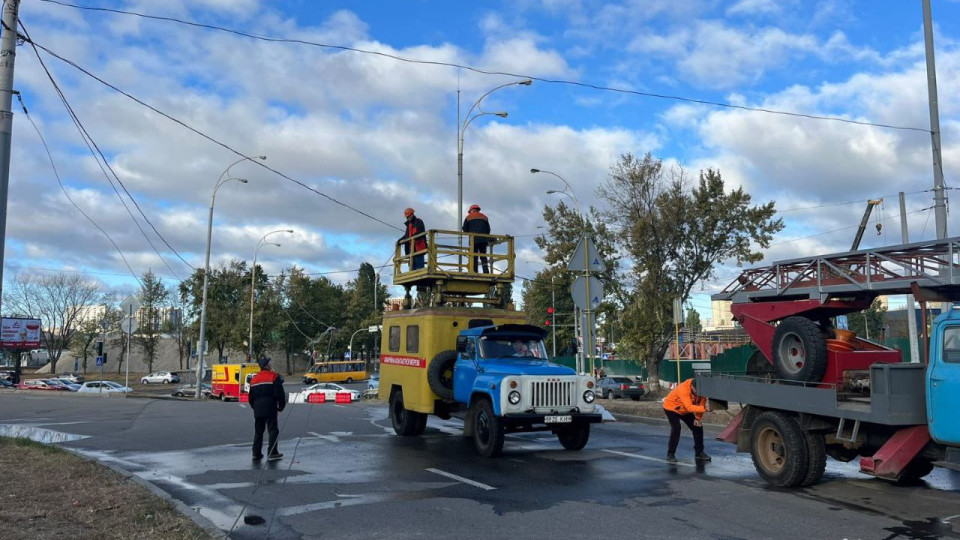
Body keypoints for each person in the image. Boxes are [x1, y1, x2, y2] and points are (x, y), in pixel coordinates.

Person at [662, 377, 711, 463]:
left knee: (698, 427)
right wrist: (706, 409)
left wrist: (698, 418)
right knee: (676, 428)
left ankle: (699, 452)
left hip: (685, 410)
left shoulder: (702, 389)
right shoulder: (683, 389)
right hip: (671, 408)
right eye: (696, 391)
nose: (698, 393)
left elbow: (701, 403)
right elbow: (690, 407)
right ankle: (670, 454)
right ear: (692, 386)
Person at [249, 356, 286, 461]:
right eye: (269, 363)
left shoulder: (254, 379)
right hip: (270, 407)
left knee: (258, 431)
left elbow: (250, 397)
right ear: (267, 365)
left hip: (258, 409)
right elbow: (280, 393)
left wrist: (255, 407)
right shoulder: (273, 376)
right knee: (273, 430)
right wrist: (281, 406)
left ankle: (256, 453)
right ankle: (272, 452)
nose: (271, 364)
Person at [462, 203, 491, 273]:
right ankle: (486, 272)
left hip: (473, 240)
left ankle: (474, 271)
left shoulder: (468, 217)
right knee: (483, 256)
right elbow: (488, 229)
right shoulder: (484, 217)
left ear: (472, 210)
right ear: (478, 210)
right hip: (483, 240)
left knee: (474, 256)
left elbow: (464, 229)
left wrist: (470, 232)